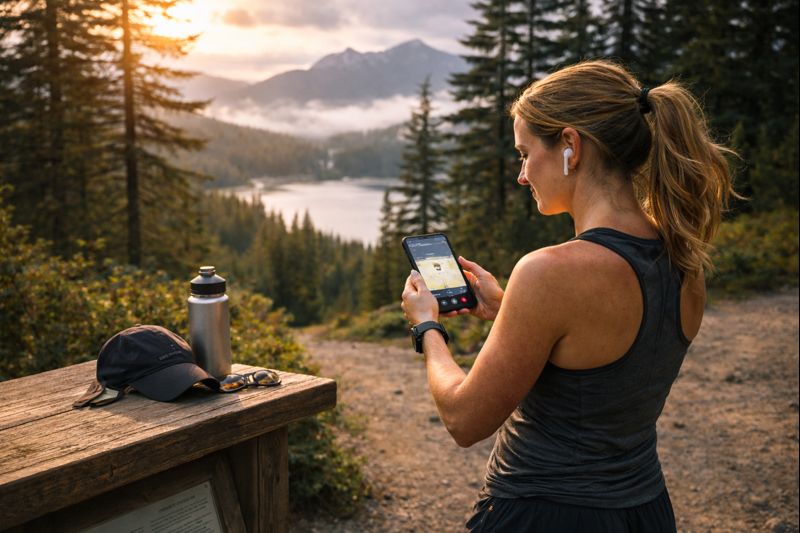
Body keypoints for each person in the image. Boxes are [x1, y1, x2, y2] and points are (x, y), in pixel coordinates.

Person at [400, 59, 736, 532]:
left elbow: (463, 418)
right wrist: (506, 310)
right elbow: (601, 370)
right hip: (645, 512)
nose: (521, 175)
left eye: (524, 153)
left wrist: (427, 325)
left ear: (570, 147)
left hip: (542, 514)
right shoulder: (685, 261)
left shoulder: (549, 273)